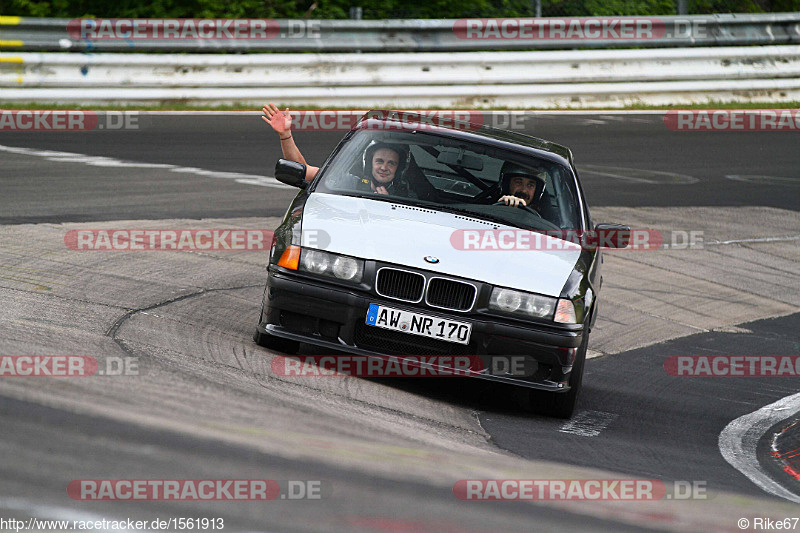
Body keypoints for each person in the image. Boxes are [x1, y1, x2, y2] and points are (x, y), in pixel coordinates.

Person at [261, 103, 413, 197]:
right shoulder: (347, 182)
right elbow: (302, 170)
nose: (384, 167)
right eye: (379, 161)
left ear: (399, 168)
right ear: (369, 163)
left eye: (391, 163)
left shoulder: (408, 195)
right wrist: (285, 135)